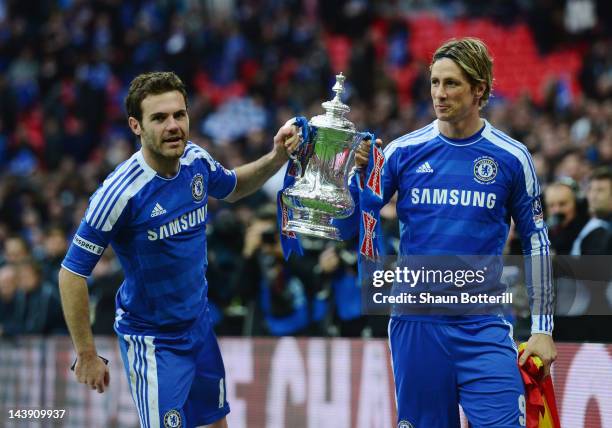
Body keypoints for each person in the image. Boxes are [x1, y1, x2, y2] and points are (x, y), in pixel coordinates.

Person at [58, 71, 299, 428]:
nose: (173, 126)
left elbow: (232, 187)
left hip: (199, 326)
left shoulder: (196, 161)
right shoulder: (119, 193)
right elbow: (71, 273)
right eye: (159, 118)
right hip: (154, 341)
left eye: (179, 115)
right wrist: (86, 353)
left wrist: (277, 157)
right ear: (136, 126)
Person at [354, 38, 556, 427]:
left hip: (484, 324)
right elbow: (361, 218)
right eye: (434, 82)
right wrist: (354, 176)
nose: (439, 94)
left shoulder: (512, 157)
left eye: (451, 84)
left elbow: (537, 241)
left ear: (479, 88)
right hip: (417, 324)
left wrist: (543, 328)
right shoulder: (401, 151)